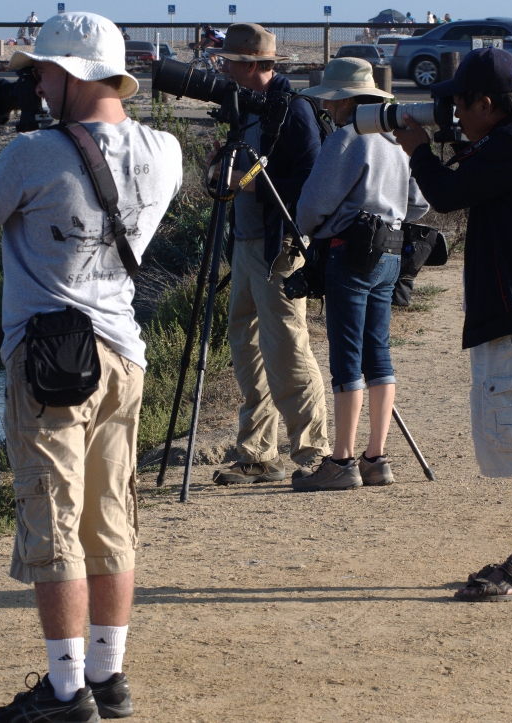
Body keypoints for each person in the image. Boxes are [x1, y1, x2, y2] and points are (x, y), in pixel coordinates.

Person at [0, 11, 182, 723]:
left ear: (71, 74)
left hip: (50, 361)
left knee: (52, 520)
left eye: (42, 71)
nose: (33, 82)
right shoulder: (166, 151)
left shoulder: (33, 153)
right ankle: (108, 675)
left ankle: (65, 693)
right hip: (122, 351)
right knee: (110, 514)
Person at [391, 47, 512, 601]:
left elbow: (447, 193)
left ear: (485, 102)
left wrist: (419, 152)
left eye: (459, 101)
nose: (452, 109)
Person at [292, 58, 429, 492]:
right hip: (389, 252)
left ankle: (341, 460)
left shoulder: (348, 137)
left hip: (348, 252)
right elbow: (420, 205)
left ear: (348, 98)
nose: (329, 108)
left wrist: (316, 227)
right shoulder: (395, 140)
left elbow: (312, 207)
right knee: (379, 356)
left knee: (346, 359)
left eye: (333, 100)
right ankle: (375, 457)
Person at [207, 23, 331, 486]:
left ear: (256, 65)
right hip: (244, 240)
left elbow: (312, 179)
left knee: (285, 344)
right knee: (245, 345)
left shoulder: (292, 109)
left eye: (231, 63)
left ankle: (314, 452)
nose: (224, 70)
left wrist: (257, 180)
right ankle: (258, 453)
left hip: (279, 244)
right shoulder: (243, 109)